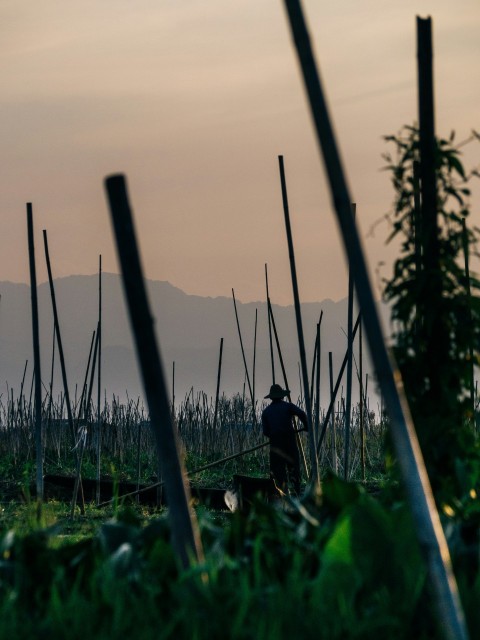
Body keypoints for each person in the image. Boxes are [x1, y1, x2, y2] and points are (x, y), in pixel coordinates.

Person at [261, 383, 308, 495]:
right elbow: (301, 413)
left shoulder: (266, 412)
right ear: (282, 396)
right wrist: (307, 426)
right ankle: (297, 493)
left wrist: (274, 436)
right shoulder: (288, 406)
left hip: (276, 445)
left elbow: (265, 432)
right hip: (289, 442)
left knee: (277, 472)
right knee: (293, 469)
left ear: (271, 397)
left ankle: (280, 495)